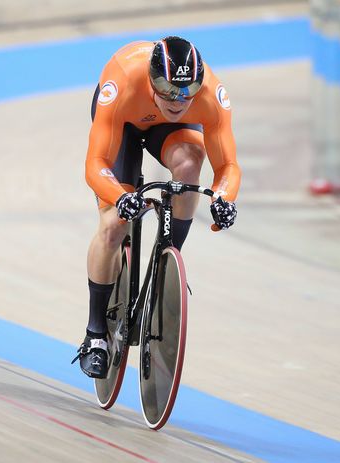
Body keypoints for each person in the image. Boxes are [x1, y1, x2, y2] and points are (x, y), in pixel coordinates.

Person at [72, 36, 241, 378]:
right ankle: (94, 335)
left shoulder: (210, 94)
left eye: (186, 90)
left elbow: (228, 168)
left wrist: (225, 198)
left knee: (191, 165)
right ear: (151, 78)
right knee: (113, 226)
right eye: (165, 88)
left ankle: (168, 260)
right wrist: (118, 196)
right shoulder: (122, 80)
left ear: (198, 83)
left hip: (171, 132)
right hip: (125, 124)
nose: (176, 99)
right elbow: (95, 163)